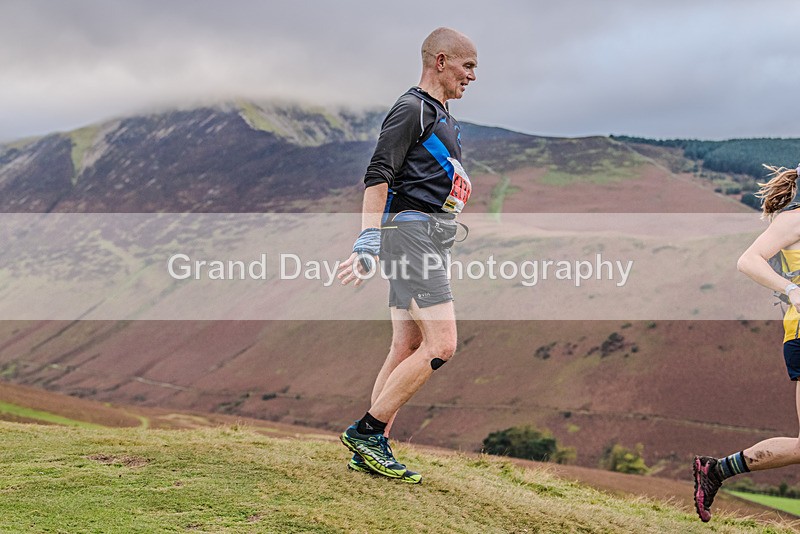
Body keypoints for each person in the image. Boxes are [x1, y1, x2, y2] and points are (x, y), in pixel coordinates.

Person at [336, 27, 478, 484]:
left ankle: (371, 445)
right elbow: (378, 175)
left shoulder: (442, 116)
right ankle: (367, 433)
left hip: (426, 237)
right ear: (441, 61)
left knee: (407, 346)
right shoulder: (412, 108)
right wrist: (367, 240)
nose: (473, 76)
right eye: (468, 66)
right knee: (442, 344)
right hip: (410, 236)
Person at [693, 164, 800, 522]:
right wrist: (791, 289)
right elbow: (748, 260)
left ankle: (716, 470)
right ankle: (717, 471)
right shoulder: (793, 221)